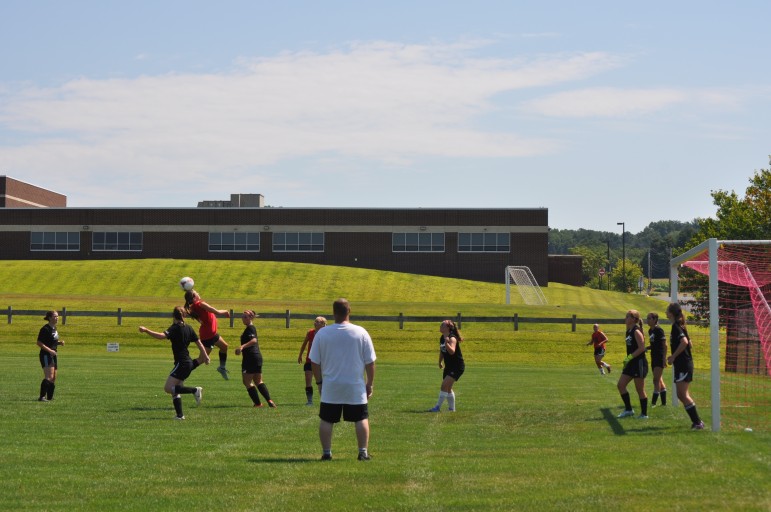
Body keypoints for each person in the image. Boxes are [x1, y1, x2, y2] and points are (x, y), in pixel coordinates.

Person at [309, 298, 376, 461]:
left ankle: (326, 453)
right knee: (361, 418)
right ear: (349, 311)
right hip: (355, 384)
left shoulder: (322, 333)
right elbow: (370, 362)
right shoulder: (361, 332)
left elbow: (314, 362)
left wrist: (319, 382)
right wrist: (369, 384)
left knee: (326, 419)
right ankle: (362, 452)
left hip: (331, 384)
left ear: (333, 313)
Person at [139, 306, 208, 420]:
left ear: (173, 316)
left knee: (168, 388)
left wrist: (146, 330)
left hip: (182, 363)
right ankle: (180, 415)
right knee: (176, 390)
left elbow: (161, 336)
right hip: (187, 363)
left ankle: (195, 390)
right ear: (184, 315)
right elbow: (199, 343)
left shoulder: (175, 328)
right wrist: (205, 356)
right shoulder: (189, 328)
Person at [666, 302, 705, 430]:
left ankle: (698, 422)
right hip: (682, 364)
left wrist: (674, 356)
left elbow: (685, 342)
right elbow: (690, 344)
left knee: (682, 394)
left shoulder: (677, 326)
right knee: (681, 394)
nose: (665, 312)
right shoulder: (680, 326)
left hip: (683, 365)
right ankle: (697, 422)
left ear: (671, 313)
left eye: (667, 311)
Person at [184, 289, 230, 380]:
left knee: (224, 347)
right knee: (201, 359)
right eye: (196, 292)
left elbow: (201, 319)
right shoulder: (200, 304)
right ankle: (184, 370)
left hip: (211, 333)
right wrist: (225, 312)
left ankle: (222, 368)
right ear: (194, 297)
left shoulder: (193, 307)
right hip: (208, 336)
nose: (198, 293)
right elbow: (215, 311)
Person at [234, 310, 276, 408]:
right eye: (242, 316)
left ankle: (258, 404)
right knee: (258, 381)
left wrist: (242, 347)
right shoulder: (249, 328)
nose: (243, 318)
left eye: (245, 317)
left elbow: (254, 340)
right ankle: (269, 400)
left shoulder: (250, 328)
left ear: (251, 318)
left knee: (247, 382)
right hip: (257, 357)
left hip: (250, 358)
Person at [617, 310, 649, 419]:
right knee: (621, 385)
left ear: (634, 319)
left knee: (640, 389)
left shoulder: (636, 331)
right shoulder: (628, 331)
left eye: (627, 316)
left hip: (639, 363)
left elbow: (642, 348)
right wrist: (628, 360)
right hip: (631, 363)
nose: (625, 318)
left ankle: (644, 414)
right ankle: (629, 410)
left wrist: (629, 357)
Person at [429, 319, 465, 412]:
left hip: (457, 366)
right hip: (449, 366)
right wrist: (440, 361)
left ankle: (437, 407)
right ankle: (452, 409)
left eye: (442, 324)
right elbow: (442, 351)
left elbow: (452, 351)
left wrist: (447, 343)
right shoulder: (442, 337)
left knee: (444, 385)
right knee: (448, 388)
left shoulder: (452, 338)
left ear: (448, 328)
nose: (440, 325)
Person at [298, 316, 327, 406]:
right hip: (309, 360)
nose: (315, 323)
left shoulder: (327, 333)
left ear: (323, 324)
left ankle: (325, 400)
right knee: (308, 379)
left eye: (318, 322)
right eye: (315, 321)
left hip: (322, 361)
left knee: (322, 381)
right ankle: (309, 401)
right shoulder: (310, 333)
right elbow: (304, 344)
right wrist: (300, 355)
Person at [36, 310, 64, 401]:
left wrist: (59, 343)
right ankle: (42, 397)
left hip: (53, 354)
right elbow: (39, 343)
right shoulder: (45, 329)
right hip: (46, 355)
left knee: (54, 377)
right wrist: (50, 351)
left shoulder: (54, 328)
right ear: (49, 318)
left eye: (57, 316)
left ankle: (50, 397)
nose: (57, 318)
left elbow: (51, 341)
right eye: (55, 316)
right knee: (49, 376)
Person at [646, 312, 667, 407]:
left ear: (655, 320)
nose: (647, 320)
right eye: (647, 318)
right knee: (659, 380)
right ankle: (663, 403)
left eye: (649, 318)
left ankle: (653, 403)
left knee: (656, 380)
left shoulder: (659, 330)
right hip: (653, 357)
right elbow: (655, 344)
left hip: (659, 357)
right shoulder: (650, 331)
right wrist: (648, 347)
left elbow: (664, 345)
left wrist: (664, 359)